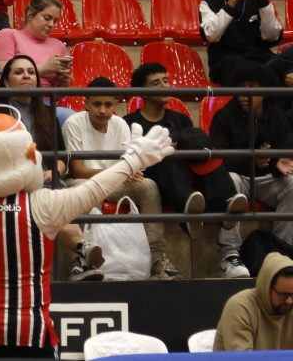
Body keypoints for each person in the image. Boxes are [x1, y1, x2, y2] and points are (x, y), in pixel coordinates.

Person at [0, 98, 175, 355]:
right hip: (30, 333)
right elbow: (94, 189)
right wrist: (132, 161)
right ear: (29, 154)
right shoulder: (42, 205)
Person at [124, 62, 251, 277]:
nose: (164, 86)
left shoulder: (180, 119)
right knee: (166, 156)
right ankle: (190, 208)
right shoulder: (130, 122)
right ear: (142, 92)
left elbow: (194, 150)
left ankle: (225, 204)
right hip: (156, 176)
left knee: (199, 144)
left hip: (186, 172)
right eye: (156, 83)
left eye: (166, 80)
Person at [0, 55, 108, 281]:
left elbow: (62, 156)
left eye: (31, 72)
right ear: (6, 82)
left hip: (47, 180)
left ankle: (79, 260)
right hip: (11, 182)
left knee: (63, 199)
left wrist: (54, 171)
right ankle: (80, 250)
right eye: (18, 72)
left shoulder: (48, 112)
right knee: (51, 204)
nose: (26, 76)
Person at [62, 76, 182, 280]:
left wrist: (130, 170)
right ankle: (83, 260)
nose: (102, 110)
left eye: (108, 105)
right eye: (97, 104)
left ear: (115, 104)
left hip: (115, 181)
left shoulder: (121, 124)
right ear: (86, 103)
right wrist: (121, 171)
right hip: (84, 181)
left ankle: (158, 258)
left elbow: (127, 161)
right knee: (85, 189)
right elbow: (77, 170)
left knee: (148, 186)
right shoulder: (73, 123)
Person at [211, 62, 293, 247]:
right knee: (230, 180)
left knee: (292, 185)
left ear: (264, 90)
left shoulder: (278, 117)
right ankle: (230, 251)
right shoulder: (223, 117)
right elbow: (218, 161)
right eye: (241, 86)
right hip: (239, 176)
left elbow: (284, 155)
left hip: (267, 179)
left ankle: (284, 248)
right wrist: (252, 161)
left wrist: (275, 162)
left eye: (252, 87)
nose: (245, 93)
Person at [200, 0, 292, 86]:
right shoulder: (209, 2)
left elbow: (272, 37)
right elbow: (211, 35)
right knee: (242, 66)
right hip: (226, 62)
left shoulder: (259, 1)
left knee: (286, 58)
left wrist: (263, 0)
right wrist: (234, 0)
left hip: (259, 59)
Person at [0, 0, 73, 124]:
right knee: (68, 117)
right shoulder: (8, 35)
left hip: (46, 104)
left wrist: (63, 83)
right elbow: (2, 75)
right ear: (30, 14)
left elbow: (56, 96)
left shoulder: (59, 46)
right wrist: (45, 67)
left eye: (55, 21)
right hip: (14, 101)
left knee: (72, 119)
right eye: (47, 18)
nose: (52, 25)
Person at [214, 252, 293, 350]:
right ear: (267, 287)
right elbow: (242, 357)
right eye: (283, 295)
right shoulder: (240, 307)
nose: (289, 301)